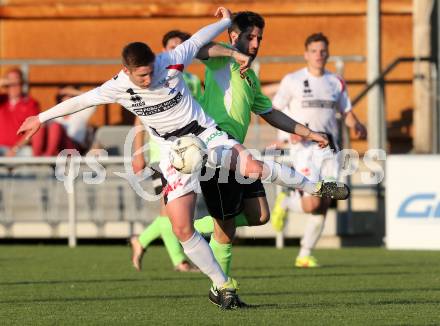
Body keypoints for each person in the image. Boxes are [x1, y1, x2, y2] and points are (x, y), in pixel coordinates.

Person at [17, 8, 348, 310]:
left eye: (150, 74)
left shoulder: (170, 61)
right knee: (180, 227)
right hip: (174, 153)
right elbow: (82, 101)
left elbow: (200, 39)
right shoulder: (118, 86)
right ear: (126, 71)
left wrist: (223, 21)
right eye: (141, 77)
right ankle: (222, 284)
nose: (149, 81)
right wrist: (40, 118)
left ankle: (317, 186)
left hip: (206, 135)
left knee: (254, 167)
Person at [270, 32, 367, 268]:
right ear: (306, 54)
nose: (318, 55)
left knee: (325, 201)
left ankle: (304, 253)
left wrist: (357, 125)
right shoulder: (292, 80)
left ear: (328, 54)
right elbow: (273, 110)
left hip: (329, 148)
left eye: (323, 51)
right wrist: (287, 134)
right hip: (303, 148)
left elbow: (346, 112)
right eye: (314, 51)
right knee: (314, 201)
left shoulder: (336, 82)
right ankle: (286, 201)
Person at [130, 30, 203, 273]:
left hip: (188, 151)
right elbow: (139, 118)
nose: (176, 50)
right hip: (161, 154)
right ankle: (178, 261)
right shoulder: (152, 80)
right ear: (163, 51)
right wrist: (138, 152)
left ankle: (141, 241)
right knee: (168, 210)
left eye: (180, 46)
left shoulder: (191, 80)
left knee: (173, 213)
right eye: (171, 46)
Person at [32, 85, 96, 156]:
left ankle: (48, 156)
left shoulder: (82, 112)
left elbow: (92, 98)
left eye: (71, 95)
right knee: (40, 126)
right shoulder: (55, 114)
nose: (67, 97)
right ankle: (37, 158)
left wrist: (72, 91)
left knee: (55, 126)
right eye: (64, 95)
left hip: (73, 148)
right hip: (56, 147)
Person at [0, 67, 40, 156]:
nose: (13, 85)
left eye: (16, 82)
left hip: (20, 149)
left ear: (21, 83)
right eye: (10, 82)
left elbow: (32, 130)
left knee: (29, 153)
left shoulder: (30, 103)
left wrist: (15, 149)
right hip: (1, 148)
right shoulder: (2, 100)